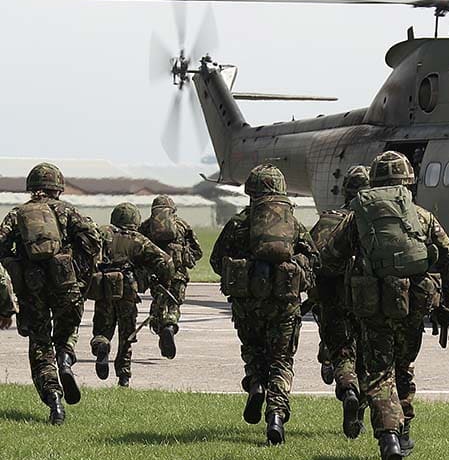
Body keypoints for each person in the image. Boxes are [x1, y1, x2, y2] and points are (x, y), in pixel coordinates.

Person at [323, 151, 449, 460]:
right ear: (407, 182)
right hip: (414, 304)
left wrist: (339, 289)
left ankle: (388, 438)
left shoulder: (358, 216)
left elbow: (330, 257)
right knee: (403, 366)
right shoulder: (422, 217)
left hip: (372, 306)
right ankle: (404, 430)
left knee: (379, 372)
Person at [210, 163, 318, 445]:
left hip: (247, 305)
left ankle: (256, 383)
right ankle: (276, 416)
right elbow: (314, 260)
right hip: (284, 306)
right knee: (281, 360)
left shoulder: (239, 223)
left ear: (251, 192)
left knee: (253, 351)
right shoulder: (293, 224)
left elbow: (215, 261)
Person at [0, 163, 100, 424]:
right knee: (67, 330)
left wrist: (17, 270)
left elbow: (1, 247)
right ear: (58, 187)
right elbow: (93, 240)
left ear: (31, 187)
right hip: (66, 284)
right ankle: (66, 359)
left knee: (40, 344)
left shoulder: (17, 214)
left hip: (33, 290)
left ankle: (54, 401)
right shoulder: (67, 211)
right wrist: (79, 271)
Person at [308, 165, 370, 439]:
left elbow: (310, 258)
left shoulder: (327, 220)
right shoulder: (375, 222)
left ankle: (348, 391)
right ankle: (359, 413)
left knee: (343, 353)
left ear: (346, 191)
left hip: (333, 300)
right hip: (368, 300)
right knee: (367, 359)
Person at [89, 203, 174, 387]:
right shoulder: (138, 240)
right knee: (126, 335)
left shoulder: (102, 233)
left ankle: (101, 345)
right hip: (127, 290)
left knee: (102, 329)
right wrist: (161, 281)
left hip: (103, 289)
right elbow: (166, 262)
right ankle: (124, 376)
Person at [139, 194, 202, 360]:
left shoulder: (146, 226)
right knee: (174, 304)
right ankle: (170, 326)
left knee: (158, 303)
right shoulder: (182, 225)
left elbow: (137, 247)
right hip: (178, 273)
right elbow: (198, 251)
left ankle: (161, 329)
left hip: (156, 274)